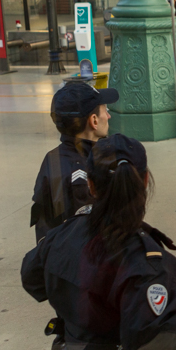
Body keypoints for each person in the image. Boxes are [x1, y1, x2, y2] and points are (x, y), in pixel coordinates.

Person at [21, 134, 176, 350]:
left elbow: (32, 278)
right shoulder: (144, 259)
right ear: (144, 182)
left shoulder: (63, 236)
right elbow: (150, 337)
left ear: (92, 186)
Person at [31, 84, 119, 241]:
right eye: (105, 110)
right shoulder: (84, 174)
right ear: (94, 121)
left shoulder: (52, 158)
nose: (108, 116)